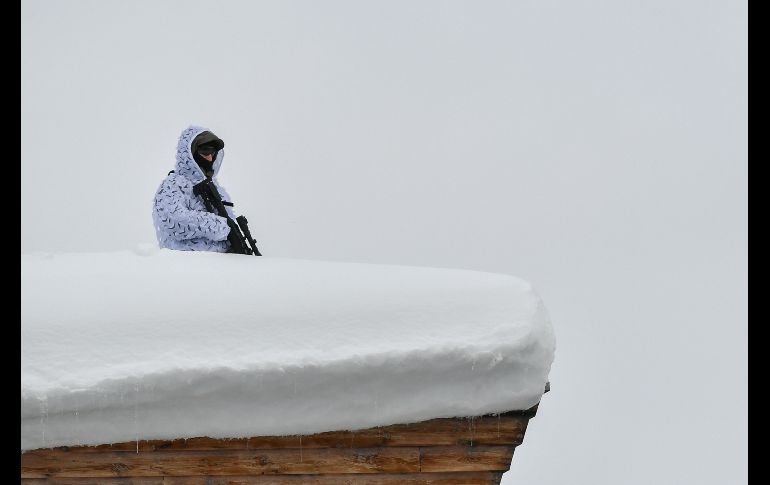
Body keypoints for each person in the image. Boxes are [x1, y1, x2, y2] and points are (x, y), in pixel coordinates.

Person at [152, 125, 242, 252]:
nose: (210, 158)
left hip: (222, 265)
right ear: (190, 152)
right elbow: (173, 221)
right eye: (205, 151)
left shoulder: (217, 189)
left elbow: (231, 229)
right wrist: (220, 226)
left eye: (213, 152)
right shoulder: (173, 184)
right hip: (186, 264)